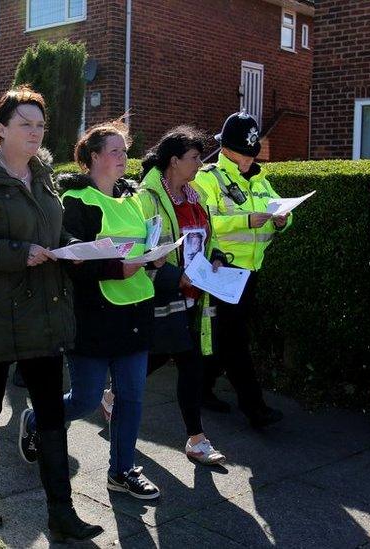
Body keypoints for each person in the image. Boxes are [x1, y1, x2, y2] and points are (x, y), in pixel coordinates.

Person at [0, 86, 102, 542]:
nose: (35, 132)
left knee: (50, 412)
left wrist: (79, 251)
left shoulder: (45, 174)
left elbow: (50, 233)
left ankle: (61, 512)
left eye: (40, 125)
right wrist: (17, 253)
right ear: (2, 129)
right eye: (25, 124)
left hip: (43, 310)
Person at [18, 121, 161, 499]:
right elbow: (71, 259)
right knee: (84, 399)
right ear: (93, 157)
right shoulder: (77, 202)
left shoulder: (132, 196)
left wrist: (157, 259)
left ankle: (122, 470)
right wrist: (116, 267)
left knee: (131, 398)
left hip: (136, 312)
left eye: (124, 152)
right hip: (94, 317)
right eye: (114, 152)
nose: (122, 159)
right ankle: (34, 419)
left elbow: (142, 245)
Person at [192, 112, 290, 428]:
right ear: (225, 148)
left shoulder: (261, 179)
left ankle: (201, 390)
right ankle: (254, 407)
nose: (248, 160)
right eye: (242, 153)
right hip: (223, 270)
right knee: (235, 341)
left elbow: (282, 210)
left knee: (223, 337)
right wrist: (246, 220)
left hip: (251, 271)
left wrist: (283, 220)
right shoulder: (208, 178)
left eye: (252, 153)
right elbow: (202, 224)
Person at [137, 125, 228, 465]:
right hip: (164, 294)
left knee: (163, 354)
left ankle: (114, 394)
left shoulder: (196, 196)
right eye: (194, 158)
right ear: (174, 161)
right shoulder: (146, 199)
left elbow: (207, 236)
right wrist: (177, 276)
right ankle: (197, 440)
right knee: (189, 361)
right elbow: (143, 253)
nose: (200, 165)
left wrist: (216, 256)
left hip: (194, 292)